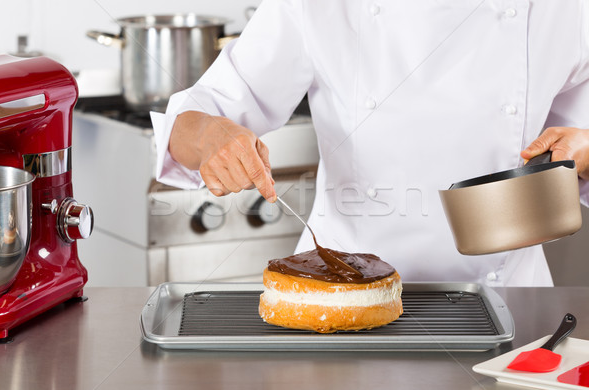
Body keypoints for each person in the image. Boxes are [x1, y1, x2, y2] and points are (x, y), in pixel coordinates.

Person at [151, 0, 589, 287]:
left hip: (507, 302)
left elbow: (579, 145)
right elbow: (199, 115)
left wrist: (584, 153)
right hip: (340, 297)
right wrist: (210, 135)